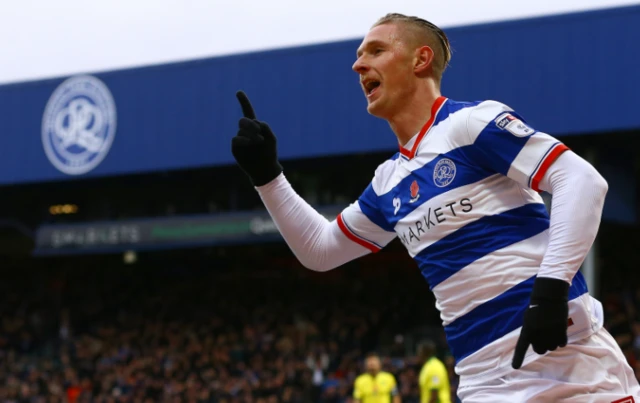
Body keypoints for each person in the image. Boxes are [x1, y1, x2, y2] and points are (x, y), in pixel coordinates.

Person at [230, 12, 640, 402]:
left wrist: (550, 290)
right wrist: (268, 177)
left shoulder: (469, 124)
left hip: (566, 354)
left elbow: (581, 179)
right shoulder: (388, 181)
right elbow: (319, 250)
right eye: (358, 56)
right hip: (482, 377)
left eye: (374, 51)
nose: (358, 65)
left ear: (420, 59)